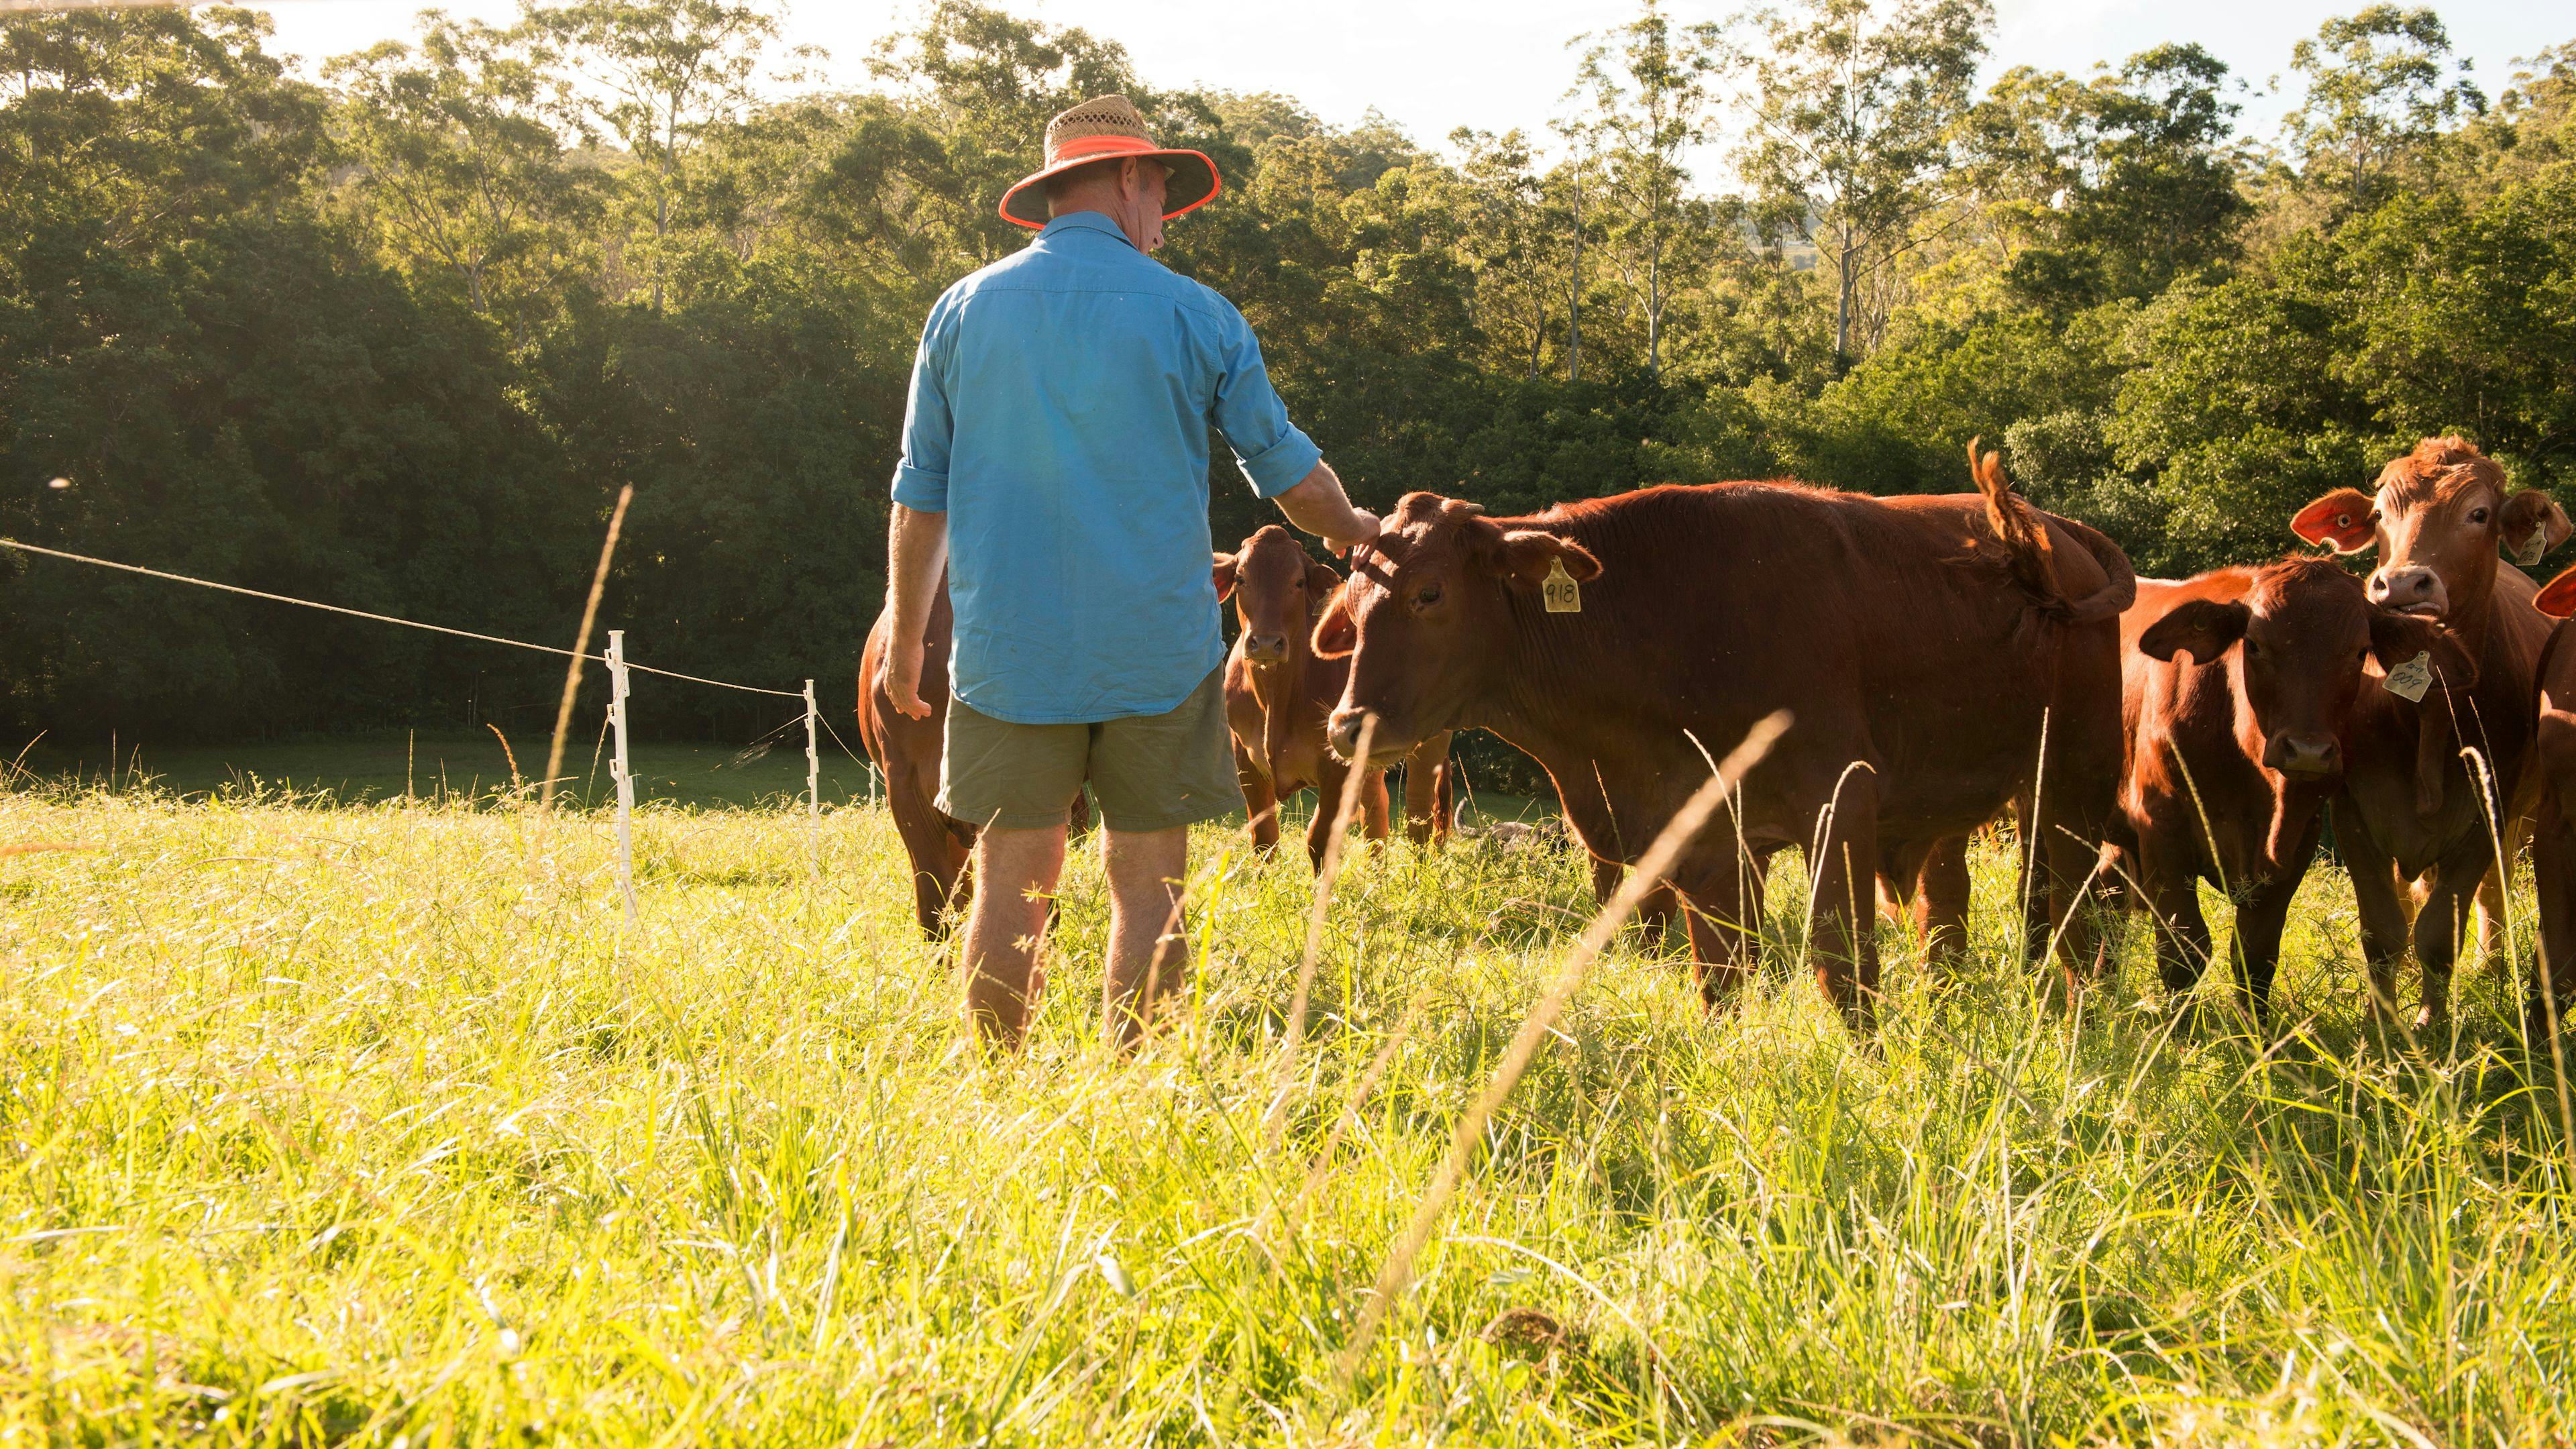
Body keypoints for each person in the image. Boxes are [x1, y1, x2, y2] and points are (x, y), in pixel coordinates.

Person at [881, 95, 1381, 1049]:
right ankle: (1131, 1091)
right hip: (1157, 656)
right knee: (1151, 884)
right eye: (1162, 191)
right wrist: (1358, 529)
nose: (1167, 219)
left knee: (1013, 882)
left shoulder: (962, 308)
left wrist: (907, 640)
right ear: (1127, 180)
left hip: (1007, 656)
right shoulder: (1197, 313)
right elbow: (1291, 478)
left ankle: (998, 1097)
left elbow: (919, 499)